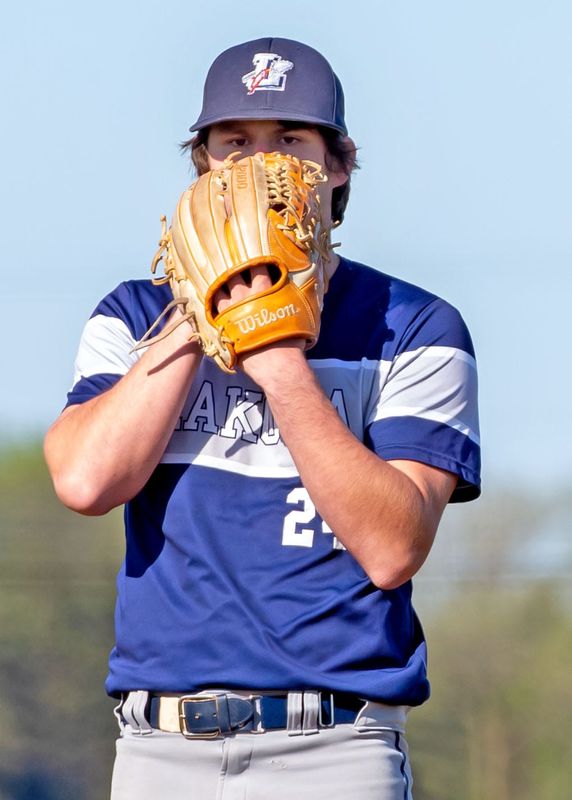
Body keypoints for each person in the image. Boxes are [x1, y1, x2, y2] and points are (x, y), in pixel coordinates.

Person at [44, 37, 480, 800]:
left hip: (335, 747)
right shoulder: (135, 314)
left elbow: (391, 548)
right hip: (158, 747)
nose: (258, 164)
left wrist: (276, 353)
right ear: (203, 163)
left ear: (338, 165)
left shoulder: (415, 325)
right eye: (235, 142)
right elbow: (85, 480)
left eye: (290, 140)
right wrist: (198, 308)